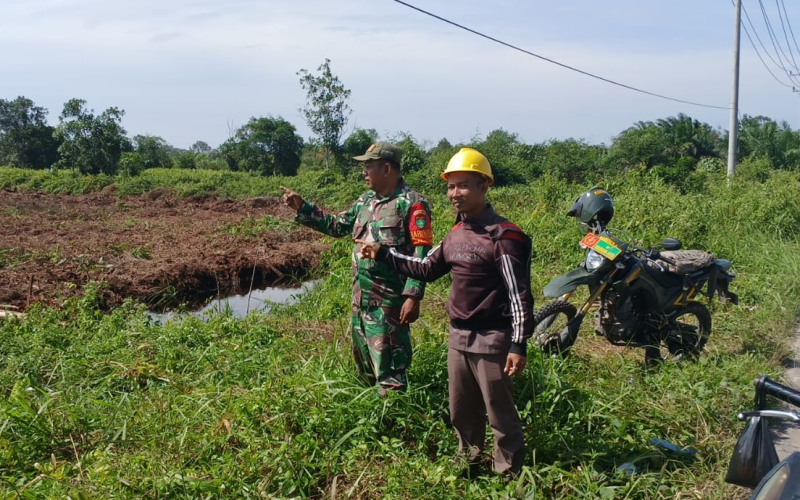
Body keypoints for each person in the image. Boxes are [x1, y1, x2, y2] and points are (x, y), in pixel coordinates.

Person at [357, 147, 534, 476]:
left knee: (499, 413)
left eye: (464, 185)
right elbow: (424, 268)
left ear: (484, 186)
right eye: (451, 186)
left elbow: (519, 295)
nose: (456, 193)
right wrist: (383, 253)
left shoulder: (504, 237)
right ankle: (468, 464)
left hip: (493, 338)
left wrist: (518, 344)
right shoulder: (457, 233)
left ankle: (506, 475)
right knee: (461, 410)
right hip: (459, 337)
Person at [280, 142, 433, 394]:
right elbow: (337, 225)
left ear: (386, 168)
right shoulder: (365, 201)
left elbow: (421, 254)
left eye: (368, 166)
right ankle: (370, 418)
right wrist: (303, 207)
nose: (363, 172)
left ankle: (395, 421)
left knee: (390, 371)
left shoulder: (412, 204)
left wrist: (413, 295)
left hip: (389, 303)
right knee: (364, 367)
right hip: (360, 301)